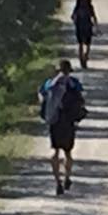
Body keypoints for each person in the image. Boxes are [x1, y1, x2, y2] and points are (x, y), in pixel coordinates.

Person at [38, 60, 86, 195]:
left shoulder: (49, 83)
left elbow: (41, 97)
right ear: (69, 70)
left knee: (55, 152)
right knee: (68, 153)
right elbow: (81, 100)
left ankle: (57, 181)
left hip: (55, 121)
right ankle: (67, 178)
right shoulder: (73, 83)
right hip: (69, 122)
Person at [71, 0, 100, 69]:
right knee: (87, 44)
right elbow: (94, 17)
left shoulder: (78, 7)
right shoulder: (89, 7)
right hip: (86, 27)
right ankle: (84, 57)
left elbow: (72, 16)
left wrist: (75, 21)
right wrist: (96, 25)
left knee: (82, 44)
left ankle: (82, 57)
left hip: (80, 27)